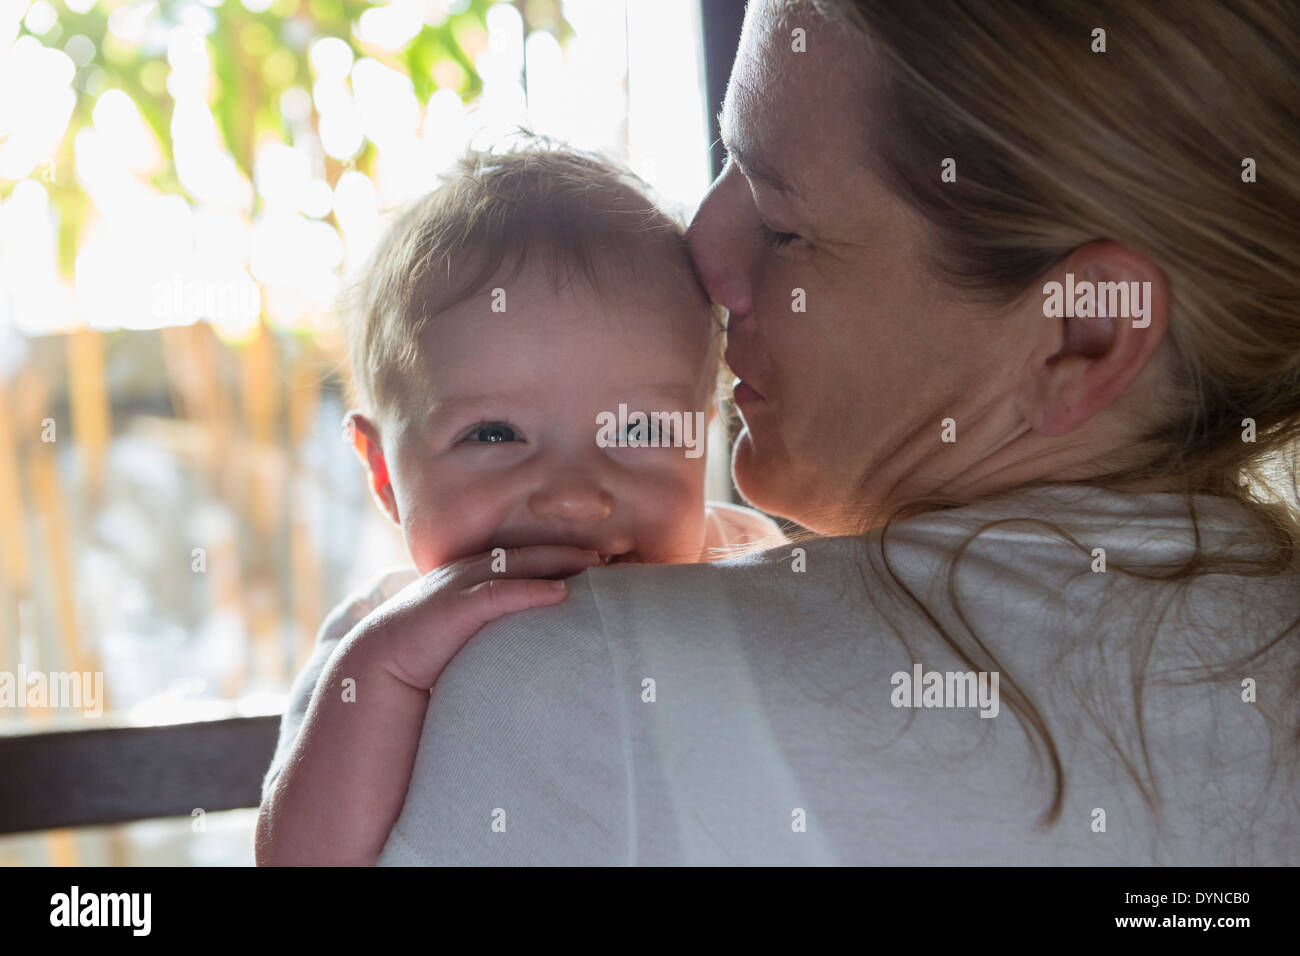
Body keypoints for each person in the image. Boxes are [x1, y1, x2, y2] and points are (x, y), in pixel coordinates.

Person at [282, 0, 1300, 865]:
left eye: (780, 223)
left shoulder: (561, 680)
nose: (701, 252)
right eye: (725, 163)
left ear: (1081, 335)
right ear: (377, 462)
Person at [254, 146, 784, 865]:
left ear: (704, 435)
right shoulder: (379, 634)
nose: (573, 495)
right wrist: (386, 671)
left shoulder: (752, 563)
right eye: (494, 433)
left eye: (639, 429)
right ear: (382, 473)